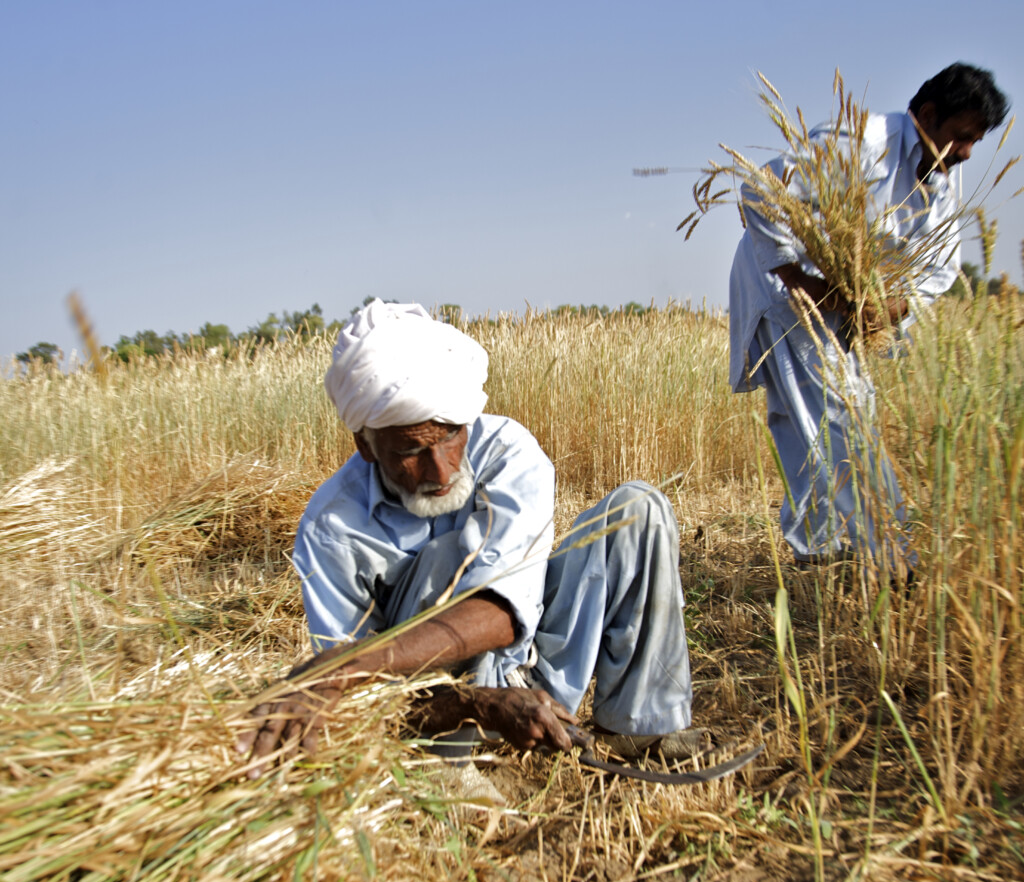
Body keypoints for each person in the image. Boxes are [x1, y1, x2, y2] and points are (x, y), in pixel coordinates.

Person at [238, 299, 697, 794]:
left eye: (451, 436)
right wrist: (473, 702)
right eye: (412, 451)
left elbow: (503, 613)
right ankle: (446, 767)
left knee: (638, 510)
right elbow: (360, 703)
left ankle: (640, 729)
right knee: (444, 559)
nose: (441, 470)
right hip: (437, 709)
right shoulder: (332, 527)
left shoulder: (508, 451)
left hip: (533, 658)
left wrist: (347, 665)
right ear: (366, 446)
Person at [728, 63, 1008, 569]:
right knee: (840, 417)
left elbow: (938, 270)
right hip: (787, 289)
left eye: (974, 143)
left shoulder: (942, 178)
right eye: (961, 137)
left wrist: (892, 308)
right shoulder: (857, 142)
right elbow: (759, 193)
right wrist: (804, 279)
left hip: (844, 307)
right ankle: (890, 556)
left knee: (811, 418)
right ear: (926, 115)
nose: (966, 153)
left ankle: (820, 551)